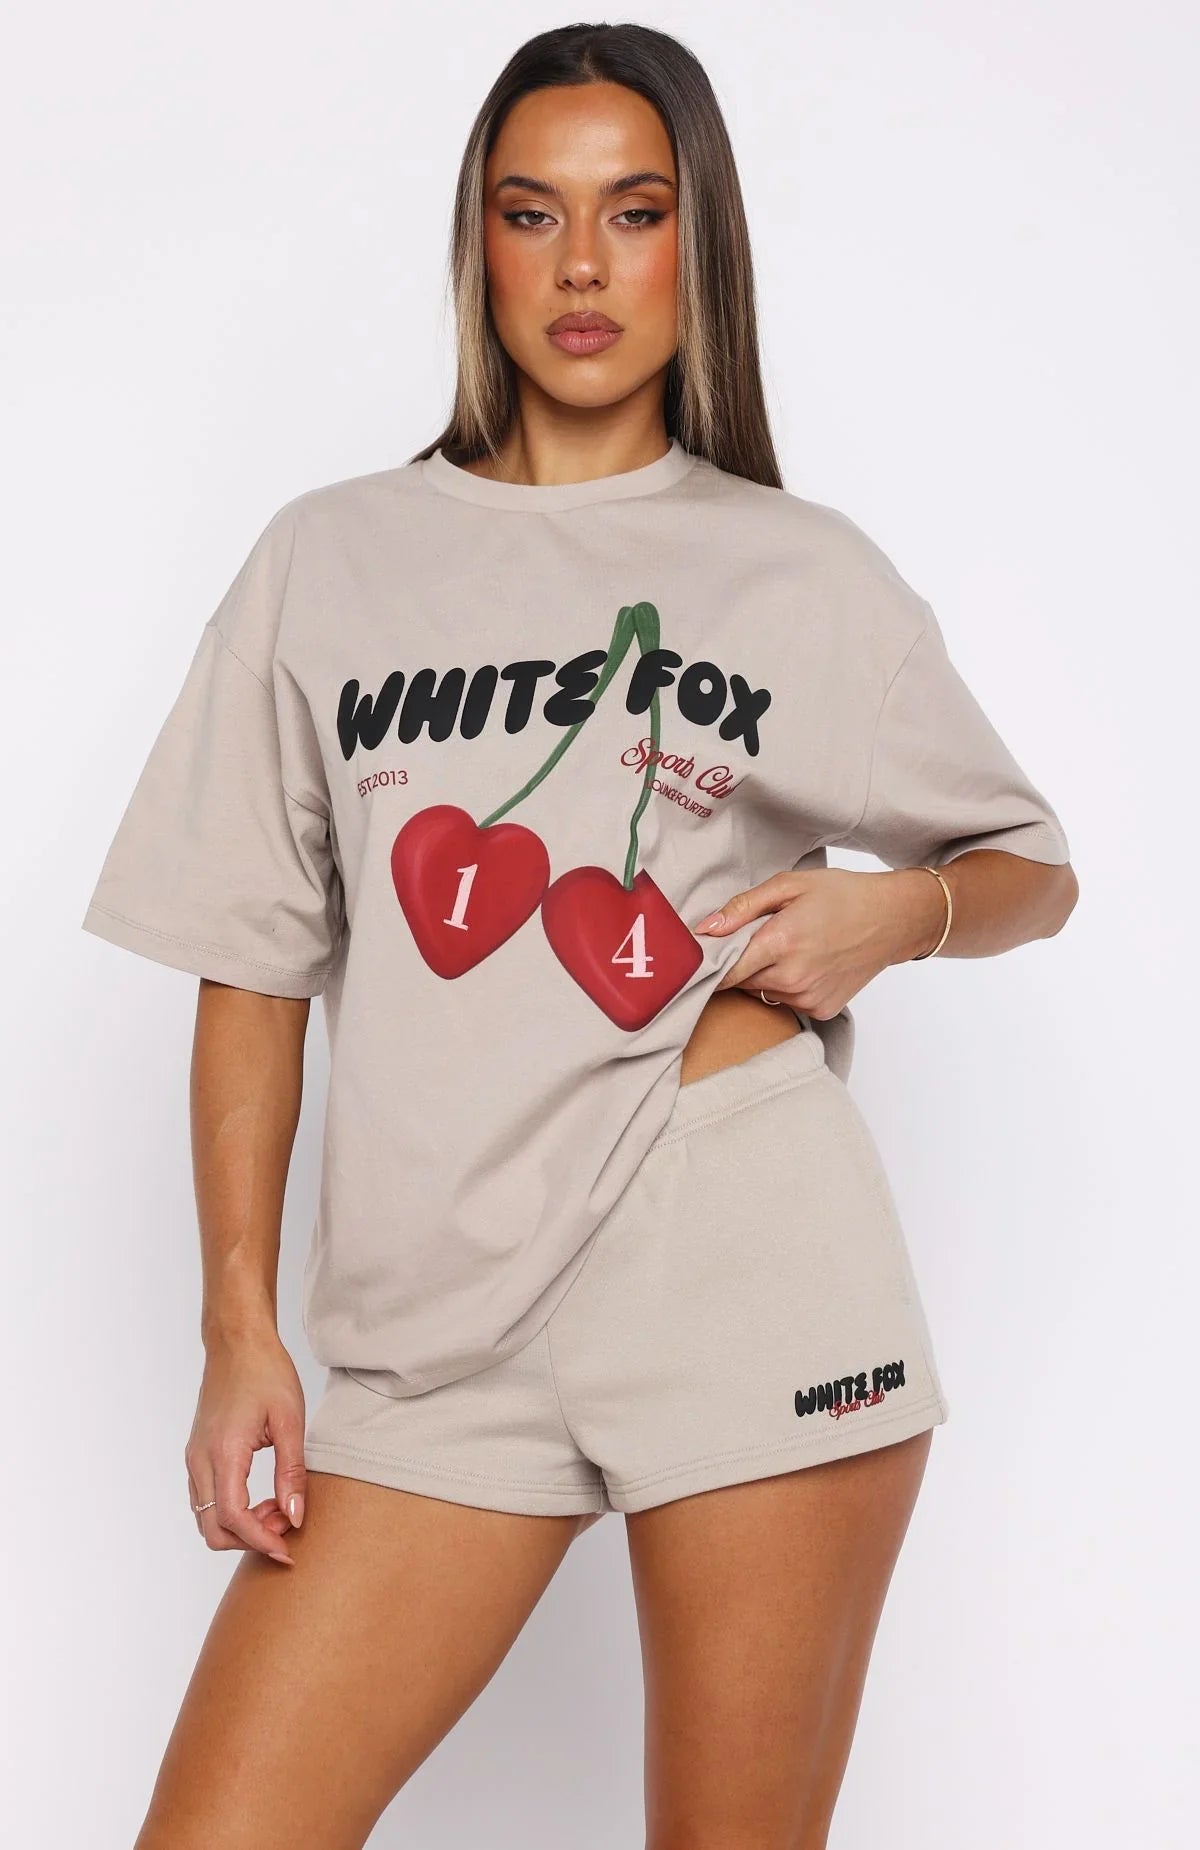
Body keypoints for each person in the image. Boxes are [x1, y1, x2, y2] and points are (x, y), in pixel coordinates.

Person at [81, 22, 1078, 1850]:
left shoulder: (800, 569)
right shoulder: (330, 556)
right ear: (480, 245)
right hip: (431, 1327)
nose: (584, 266)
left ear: (701, 244)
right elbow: (250, 958)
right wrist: (239, 1327)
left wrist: (903, 911)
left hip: (742, 1251)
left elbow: (1032, 865)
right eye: (533, 213)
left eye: (636, 212)